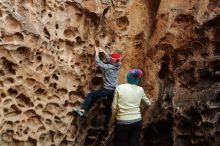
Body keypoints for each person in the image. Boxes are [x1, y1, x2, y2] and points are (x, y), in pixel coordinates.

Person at [73, 47, 121, 130]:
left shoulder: (109, 67)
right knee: (109, 107)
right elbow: (111, 59)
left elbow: (98, 62)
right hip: (114, 90)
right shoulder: (118, 65)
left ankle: (82, 110)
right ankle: (106, 125)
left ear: (113, 61)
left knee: (90, 95)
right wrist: (104, 52)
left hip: (107, 90)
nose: (111, 59)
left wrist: (97, 53)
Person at [111, 68, 151, 146]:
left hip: (122, 121)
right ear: (137, 80)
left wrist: (114, 118)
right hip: (136, 121)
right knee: (134, 143)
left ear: (128, 77)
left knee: (121, 143)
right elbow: (148, 103)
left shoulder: (119, 88)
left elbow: (114, 107)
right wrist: (150, 102)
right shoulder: (140, 90)